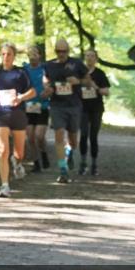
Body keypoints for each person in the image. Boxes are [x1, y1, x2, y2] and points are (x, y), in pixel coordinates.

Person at [0, 44, 36, 197]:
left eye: (9, 54)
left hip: (18, 115)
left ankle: (16, 162)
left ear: (14, 55)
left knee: (20, 153)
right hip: (0, 115)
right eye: (3, 54)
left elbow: (33, 91)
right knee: (3, 150)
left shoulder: (21, 73)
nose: (6, 57)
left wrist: (20, 98)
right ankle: (4, 186)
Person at [43, 38, 88, 184]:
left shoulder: (77, 64)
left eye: (64, 51)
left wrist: (78, 81)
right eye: (58, 51)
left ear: (68, 51)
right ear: (55, 51)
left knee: (73, 140)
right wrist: (47, 89)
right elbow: (45, 82)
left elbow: (88, 81)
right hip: (57, 106)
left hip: (74, 105)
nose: (61, 54)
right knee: (59, 134)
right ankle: (63, 170)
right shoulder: (49, 65)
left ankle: (69, 154)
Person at [79, 49, 111, 176]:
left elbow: (107, 92)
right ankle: (82, 163)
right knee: (83, 135)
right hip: (82, 108)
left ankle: (94, 164)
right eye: (87, 56)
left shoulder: (100, 74)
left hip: (96, 109)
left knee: (93, 136)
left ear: (96, 59)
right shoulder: (79, 73)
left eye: (92, 56)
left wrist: (95, 86)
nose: (89, 58)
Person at [22, 45, 52, 174]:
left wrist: (48, 91)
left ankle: (44, 153)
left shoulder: (45, 69)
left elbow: (51, 85)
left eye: (35, 54)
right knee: (30, 138)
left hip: (43, 106)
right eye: (30, 54)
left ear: (39, 56)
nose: (33, 56)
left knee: (39, 136)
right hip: (28, 106)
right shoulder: (24, 69)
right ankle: (36, 163)